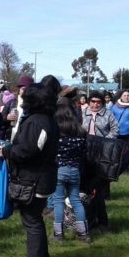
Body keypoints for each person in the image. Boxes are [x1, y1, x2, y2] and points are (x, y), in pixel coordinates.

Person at [0, 83, 58, 257]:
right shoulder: (47, 119)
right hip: (42, 177)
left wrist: (8, 151)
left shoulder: (37, 122)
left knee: (32, 221)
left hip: (35, 179)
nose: (22, 98)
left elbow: (27, 151)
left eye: (25, 96)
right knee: (35, 220)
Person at [51, 97, 90, 243]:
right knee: (76, 200)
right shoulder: (80, 133)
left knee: (58, 201)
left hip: (59, 169)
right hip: (74, 170)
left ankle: (58, 234)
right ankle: (83, 233)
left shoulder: (56, 133)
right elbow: (84, 152)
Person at [82, 91, 119, 232]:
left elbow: (115, 130)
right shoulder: (83, 113)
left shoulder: (108, 114)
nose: (95, 104)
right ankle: (89, 220)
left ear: (102, 103)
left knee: (96, 189)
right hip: (85, 153)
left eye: (98, 102)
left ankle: (101, 222)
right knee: (86, 188)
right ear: (89, 101)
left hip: (103, 154)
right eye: (93, 101)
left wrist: (104, 142)